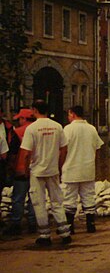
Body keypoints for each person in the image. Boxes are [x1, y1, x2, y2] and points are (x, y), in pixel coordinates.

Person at [19, 99, 70, 246]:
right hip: (53, 169)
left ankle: (44, 235)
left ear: (34, 110)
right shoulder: (57, 126)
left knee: (38, 202)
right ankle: (64, 231)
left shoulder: (32, 129)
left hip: (37, 170)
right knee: (57, 200)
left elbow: (26, 152)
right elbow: (64, 149)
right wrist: (59, 166)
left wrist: (25, 169)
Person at [62, 106, 105, 234]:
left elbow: (63, 148)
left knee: (69, 198)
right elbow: (98, 148)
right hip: (88, 168)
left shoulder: (68, 129)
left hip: (71, 168)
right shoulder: (91, 129)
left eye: (69, 114)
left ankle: (70, 226)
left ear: (72, 114)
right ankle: (90, 224)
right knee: (88, 197)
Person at [1, 109, 36, 236]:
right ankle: (33, 223)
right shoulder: (39, 129)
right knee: (34, 198)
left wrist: (10, 167)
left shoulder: (18, 132)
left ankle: (16, 224)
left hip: (21, 170)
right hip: (37, 170)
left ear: (24, 119)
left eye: (20, 119)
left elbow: (13, 153)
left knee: (18, 198)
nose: (18, 121)